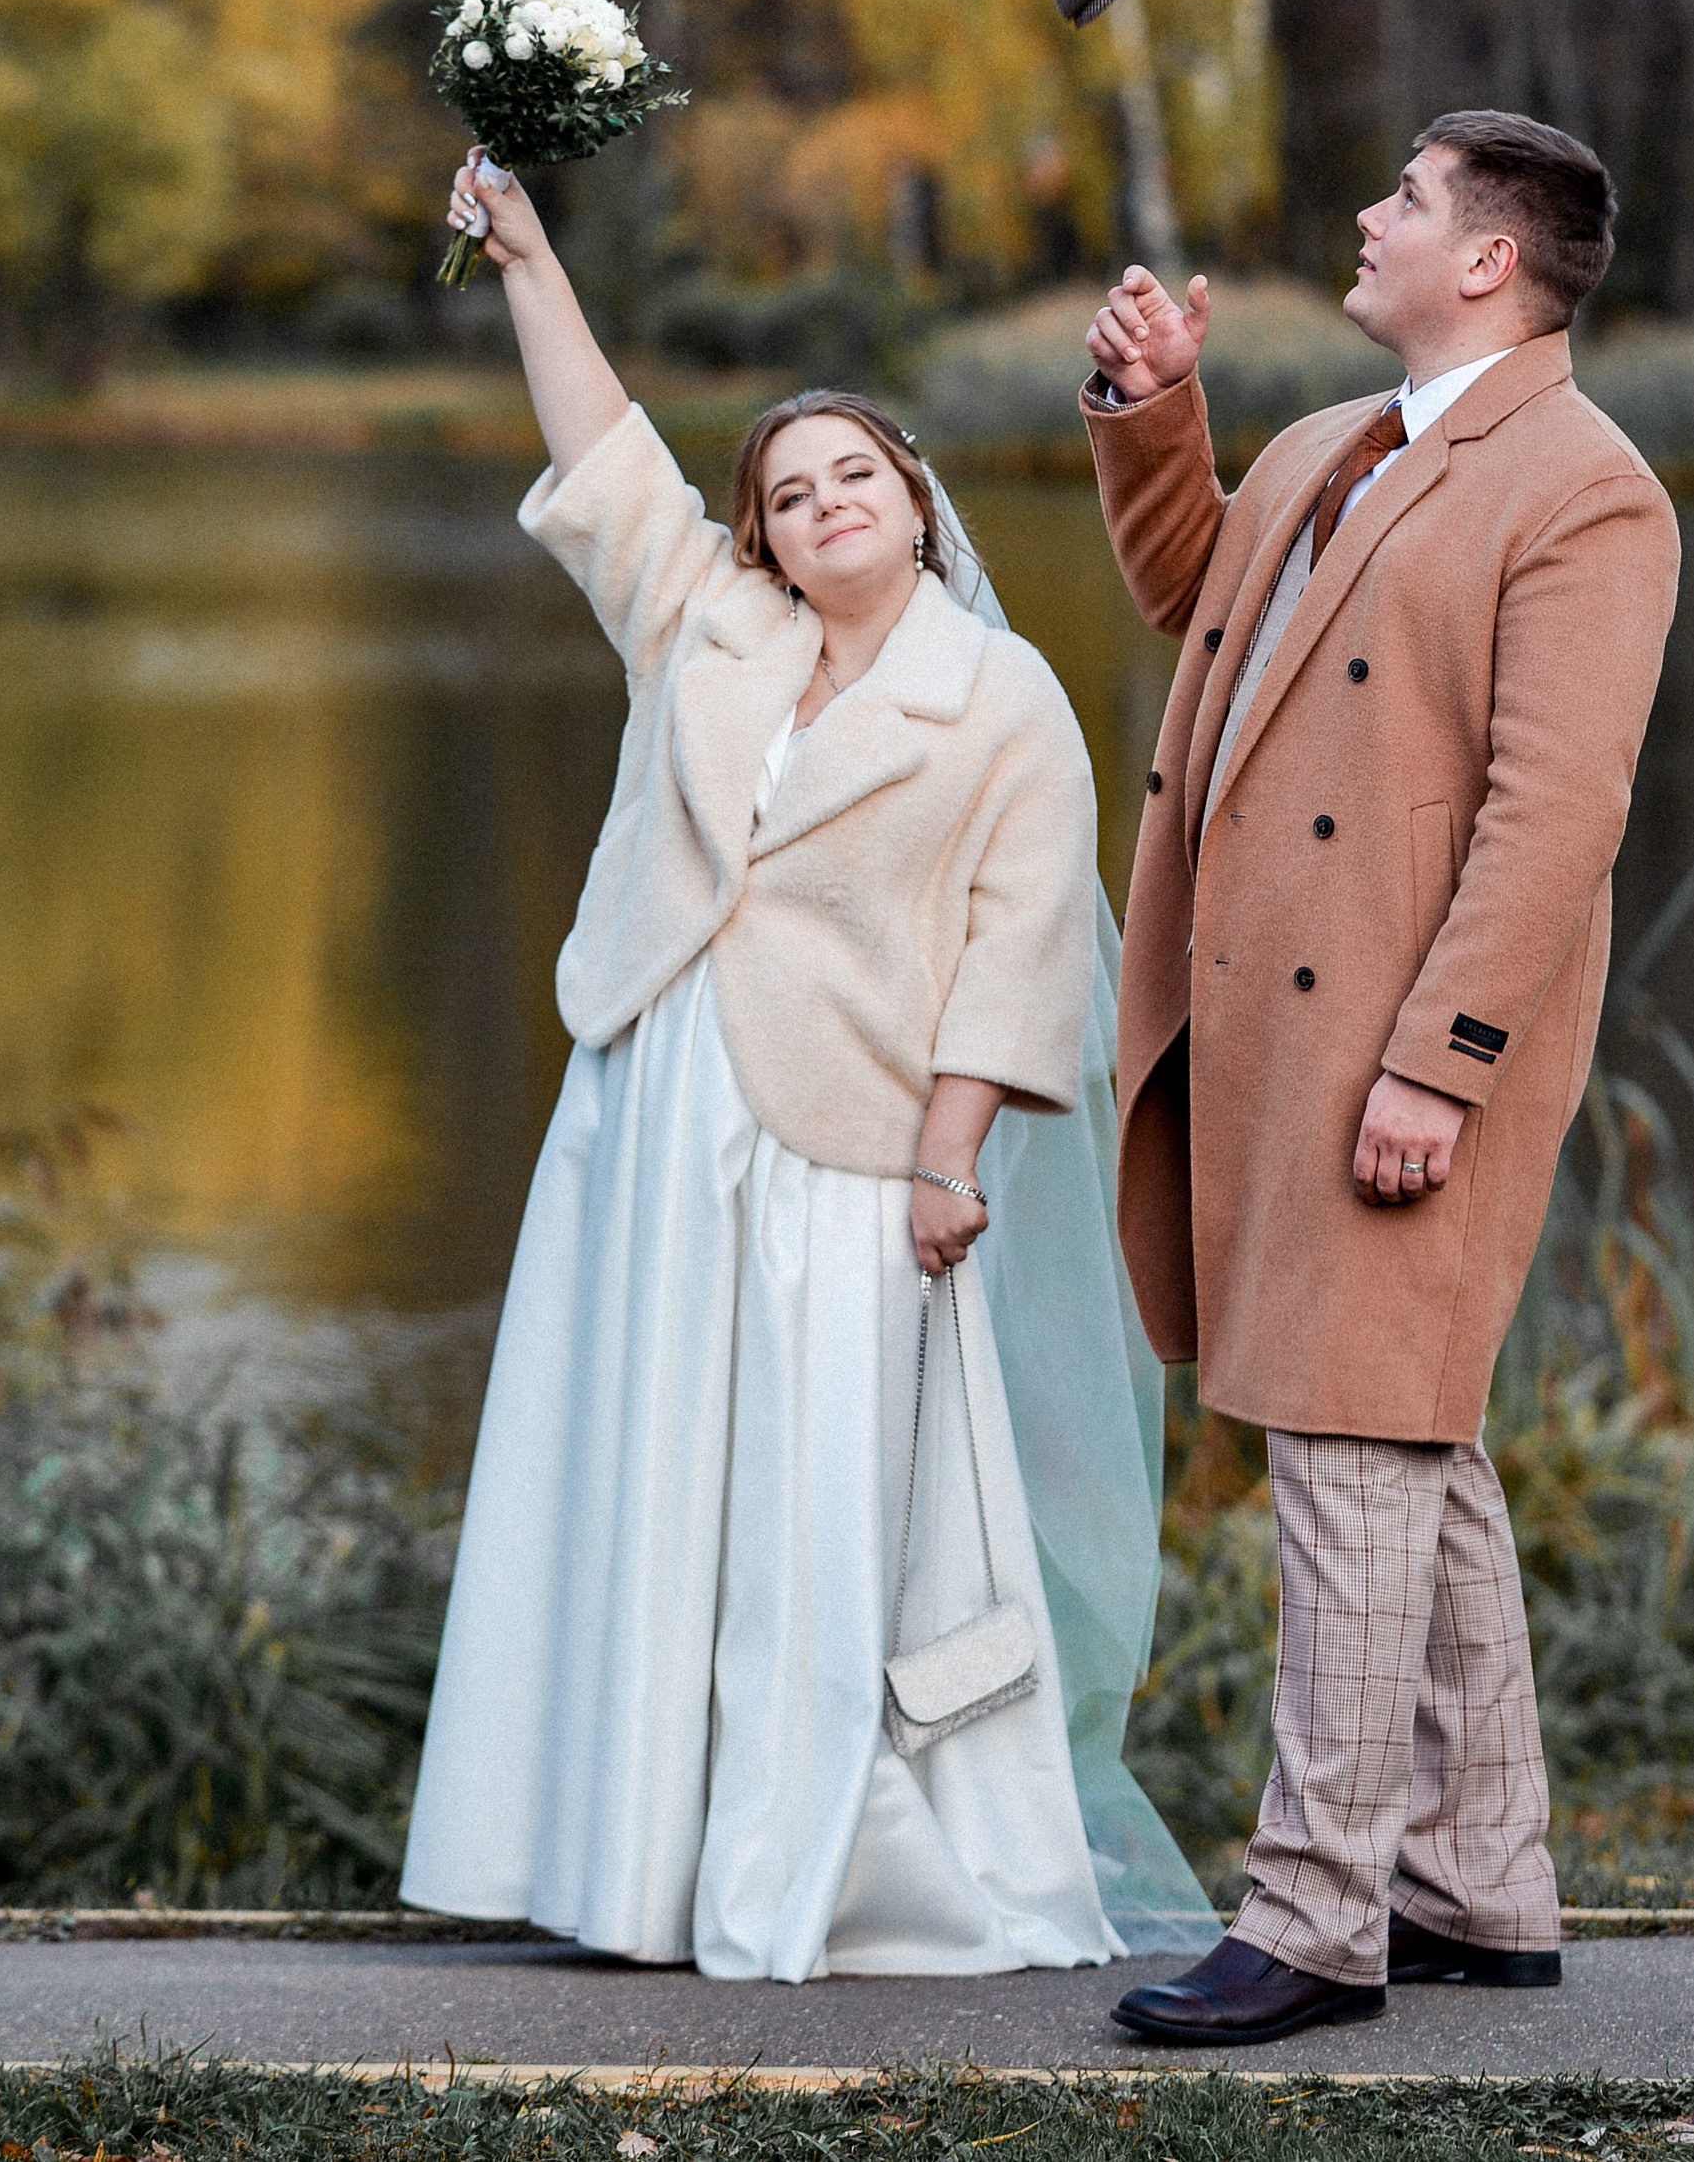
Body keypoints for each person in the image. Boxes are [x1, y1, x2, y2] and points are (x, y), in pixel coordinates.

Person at [401, 146, 1212, 1979]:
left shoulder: (994, 699)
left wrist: (950, 1163)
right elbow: (605, 453)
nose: (827, 501)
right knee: (642, 1476)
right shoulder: (710, 628)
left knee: (810, 1517)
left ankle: (811, 1865)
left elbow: (1017, 956)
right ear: (758, 535)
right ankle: (630, 1867)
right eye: (790, 489)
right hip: (647, 1121)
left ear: (917, 507)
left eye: (859, 474)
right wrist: (528, 253)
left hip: (847, 1152)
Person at [1083, 111, 1681, 2049]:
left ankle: (1316, 1911)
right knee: (1406, 1435)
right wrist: (1151, 410)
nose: (1365, 214)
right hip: (1270, 1030)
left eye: (1403, 197)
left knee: (1346, 1451)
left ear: (1490, 256)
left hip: (1400, 1046)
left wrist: (1442, 1059)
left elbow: (1553, 809)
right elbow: (1196, 596)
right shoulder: (1332, 444)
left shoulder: (1582, 488)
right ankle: (1474, 1879)